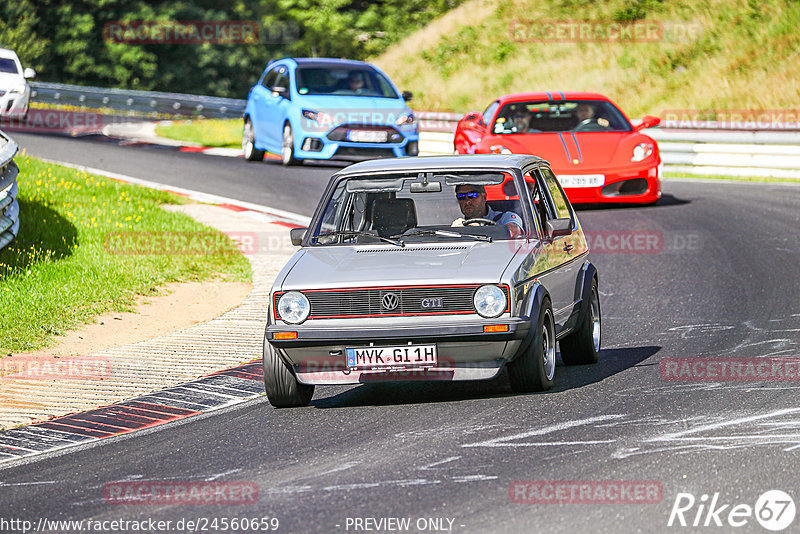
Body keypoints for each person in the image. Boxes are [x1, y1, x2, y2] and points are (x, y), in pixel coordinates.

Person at [452, 184, 523, 238]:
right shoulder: (459, 224)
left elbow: (513, 233)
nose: (467, 201)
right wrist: (455, 231)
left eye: (473, 195)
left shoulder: (505, 217)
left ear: (484, 197)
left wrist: (477, 229)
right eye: (461, 196)